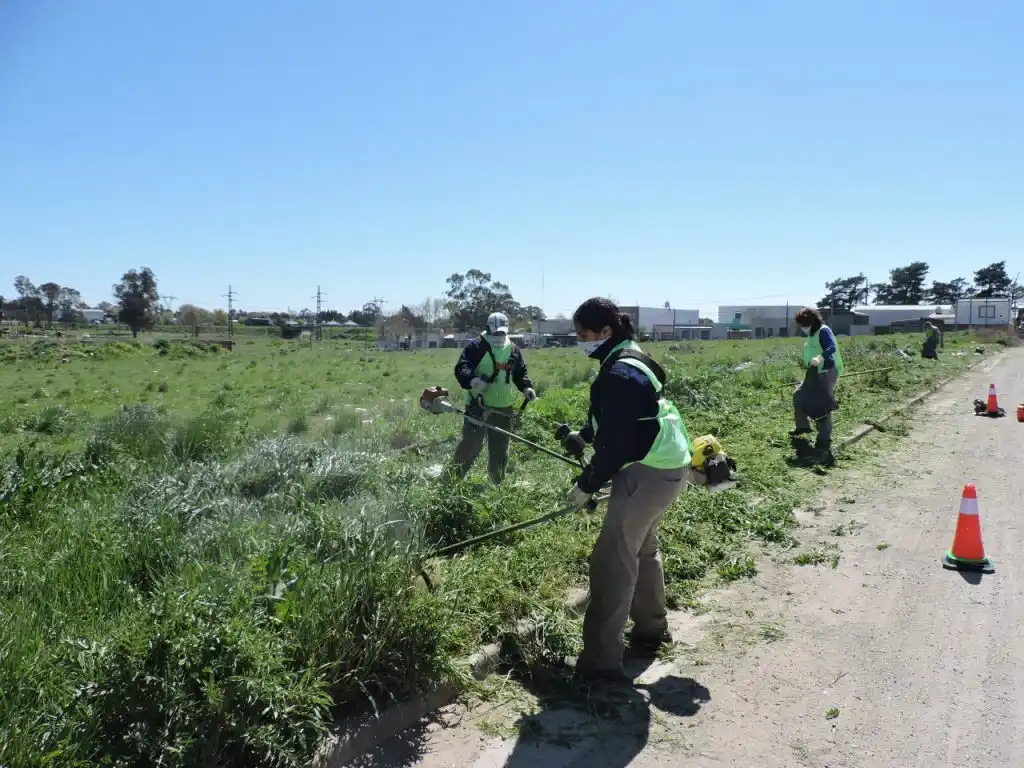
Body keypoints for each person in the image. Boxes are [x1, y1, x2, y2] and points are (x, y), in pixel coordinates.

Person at [561, 298, 692, 686]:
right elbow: (626, 416)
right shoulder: (634, 357)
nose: (579, 341)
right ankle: (651, 630)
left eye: (583, 335)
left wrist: (586, 485)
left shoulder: (618, 373)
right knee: (643, 549)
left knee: (613, 561)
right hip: (669, 465)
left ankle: (600, 666)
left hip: (646, 472)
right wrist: (583, 435)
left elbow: (617, 445)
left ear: (604, 333)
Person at [451, 311, 536, 484]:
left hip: (504, 408)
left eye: (502, 332)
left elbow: (520, 373)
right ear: (487, 329)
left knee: (500, 450)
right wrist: (473, 380)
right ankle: (451, 481)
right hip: (478, 406)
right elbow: (462, 367)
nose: (498, 335)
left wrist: (526, 387)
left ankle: (497, 485)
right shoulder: (476, 346)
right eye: (495, 332)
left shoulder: (513, 349)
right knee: (471, 446)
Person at [790, 307, 844, 464]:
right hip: (814, 372)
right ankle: (802, 426)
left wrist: (820, 358)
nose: (802, 328)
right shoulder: (812, 334)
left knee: (822, 405)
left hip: (827, 370)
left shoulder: (823, 331)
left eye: (803, 324)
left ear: (811, 322)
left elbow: (831, 348)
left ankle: (824, 440)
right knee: (798, 395)